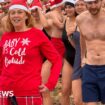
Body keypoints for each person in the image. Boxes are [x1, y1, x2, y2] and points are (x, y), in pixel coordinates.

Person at [0, 0, 62, 105]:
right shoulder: (6, 36)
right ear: (9, 16)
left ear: (26, 16)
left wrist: (50, 84)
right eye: (13, 13)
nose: (16, 15)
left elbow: (56, 60)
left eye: (20, 12)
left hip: (29, 90)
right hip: (5, 90)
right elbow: (2, 63)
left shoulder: (37, 34)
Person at [76, 0, 105, 104]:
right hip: (89, 67)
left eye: (96, 2)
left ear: (102, 1)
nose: (93, 6)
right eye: (89, 3)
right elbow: (82, 37)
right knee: (90, 102)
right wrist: (83, 57)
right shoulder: (80, 19)